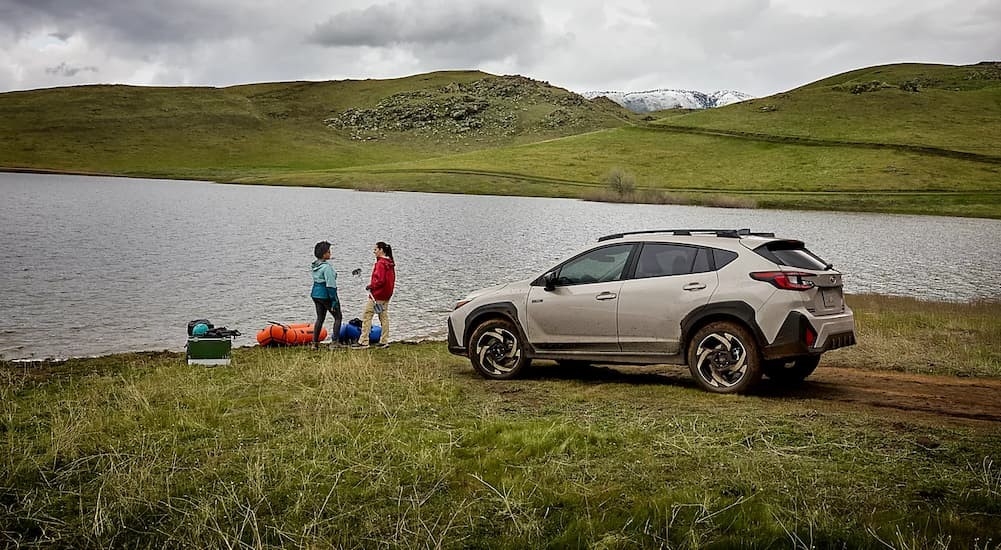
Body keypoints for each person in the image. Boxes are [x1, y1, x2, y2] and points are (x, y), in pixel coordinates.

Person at [352, 241, 395, 349]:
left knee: (367, 315)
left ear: (381, 250)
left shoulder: (381, 263)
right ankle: (384, 340)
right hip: (386, 294)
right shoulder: (389, 262)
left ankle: (363, 341)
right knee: (383, 316)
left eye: (375, 249)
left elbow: (380, 280)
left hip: (378, 295)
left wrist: (371, 286)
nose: (374, 251)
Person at [310, 241, 342, 349]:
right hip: (325, 295)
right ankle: (335, 342)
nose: (330, 253)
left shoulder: (315, 266)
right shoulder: (327, 268)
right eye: (328, 251)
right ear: (324, 254)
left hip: (315, 294)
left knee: (320, 318)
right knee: (338, 317)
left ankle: (314, 343)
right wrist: (334, 300)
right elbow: (330, 285)